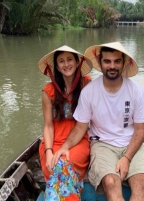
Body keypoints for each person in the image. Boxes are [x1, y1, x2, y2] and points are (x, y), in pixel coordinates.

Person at [52, 42, 144, 201]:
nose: (112, 66)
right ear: (100, 63)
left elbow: (141, 130)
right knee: (111, 182)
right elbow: (80, 128)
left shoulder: (136, 91)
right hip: (102, 144)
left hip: (131, 143)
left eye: (117, 61)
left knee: (143, 183)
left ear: (123, 63)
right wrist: (65, 147)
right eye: (107, 61)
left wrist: (126, 158)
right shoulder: (89, 92)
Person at [37, 45, 93, 200]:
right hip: (52, 141)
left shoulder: (87, 85)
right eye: (61, 61)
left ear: (77, 62)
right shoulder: (48, 91)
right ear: (56, 66)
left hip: (78, 140)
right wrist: (48, 151)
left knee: (63, 167)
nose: (66, 64)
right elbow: (48, 126)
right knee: (55, 166)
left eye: (69, 59)